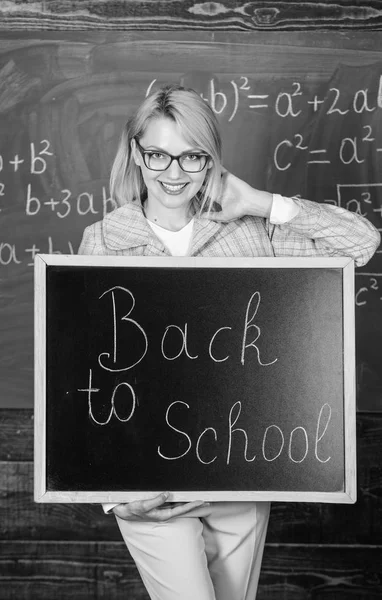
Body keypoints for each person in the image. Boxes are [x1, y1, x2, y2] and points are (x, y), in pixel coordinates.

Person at [78, 84, 380, 600]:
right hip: (150, 484)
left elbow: (363, 243)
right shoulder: (103, 242)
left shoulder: (251, 231)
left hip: (241, 471)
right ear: (136, 153)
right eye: (158, 155)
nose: (174, 173)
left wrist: (262, 203)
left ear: (211, 157)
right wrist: (115, 498)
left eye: (192, 156)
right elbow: (83, 376)